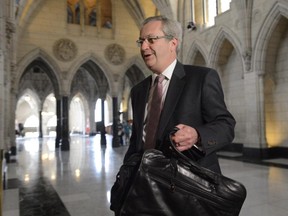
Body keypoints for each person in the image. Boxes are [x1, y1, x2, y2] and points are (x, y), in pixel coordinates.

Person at [123, 15, 235, 174]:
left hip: (188, 187)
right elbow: (136, 142)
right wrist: (128, 174)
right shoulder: (138, 91)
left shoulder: (202, 78)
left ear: (172, 43)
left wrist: (197, 135)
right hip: (145, 185)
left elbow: (226, 126)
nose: (143, 47)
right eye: (141, 42)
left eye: (151, 40)